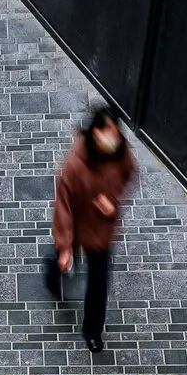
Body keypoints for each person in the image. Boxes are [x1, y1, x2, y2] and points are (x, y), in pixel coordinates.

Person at [48, 104, 137, 355]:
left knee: (99, 282)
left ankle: (92, 331)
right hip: (76, 225)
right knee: (62, 260)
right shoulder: (75, 164)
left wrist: (112, 201)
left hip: (101, 230)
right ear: (95, 132)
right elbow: (63, 206)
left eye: (115, 132)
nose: (113, 138)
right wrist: (65, 246)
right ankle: (53, 273)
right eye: (108, 132)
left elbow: (129, 174)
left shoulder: (120, 153)